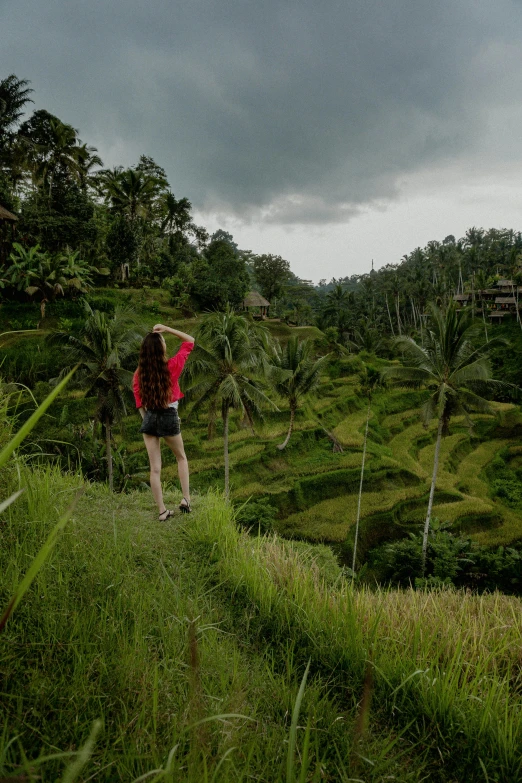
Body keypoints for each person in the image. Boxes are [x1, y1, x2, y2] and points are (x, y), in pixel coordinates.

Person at [133, 323, 195, 520]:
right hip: (168, 415)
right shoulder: (172, 366)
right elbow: (190, 341)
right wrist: (167, 329)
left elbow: (138, 400)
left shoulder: (139, 374)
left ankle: (162, 511)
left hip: (150, 417)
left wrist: (147, 421)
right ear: (161, 349)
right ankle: (185, 499)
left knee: (155, 469)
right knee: (181, 457)